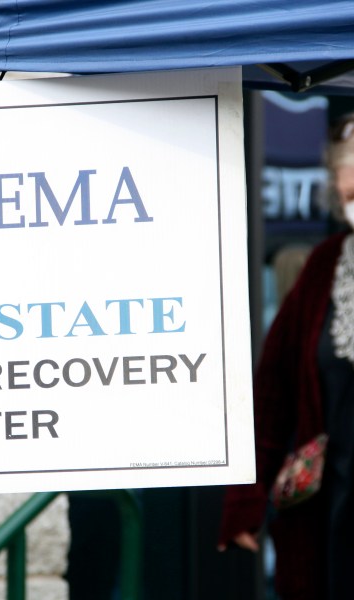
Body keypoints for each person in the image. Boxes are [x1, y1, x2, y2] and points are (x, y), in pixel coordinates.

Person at [218, 113, 354, 600]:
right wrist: (244, 502)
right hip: (335, 516)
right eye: (351, 184)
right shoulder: (324, 267)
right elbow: (272, 394)